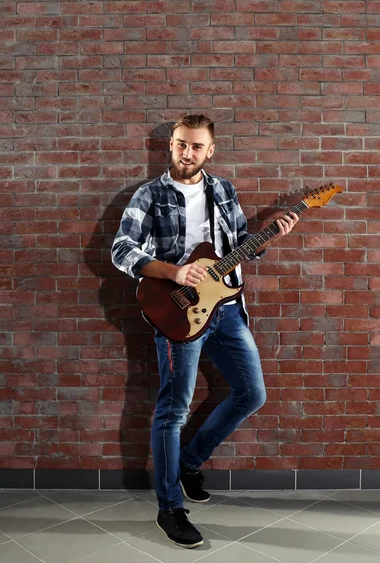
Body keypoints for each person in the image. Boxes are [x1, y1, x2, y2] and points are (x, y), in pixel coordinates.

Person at [111, 114, 298, 549]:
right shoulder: (149, 195)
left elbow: (238, 248)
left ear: (210, 151)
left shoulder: (223, 190)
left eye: (196, 147)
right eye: (180, 145)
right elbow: (121, 250)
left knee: (251, 394)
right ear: (170, 146)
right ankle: (170, 508)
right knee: (173, 411)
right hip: (179, 314)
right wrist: (175, 273)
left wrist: (268, 236)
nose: (186, 153)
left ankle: (190, 463)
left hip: (228, 309)